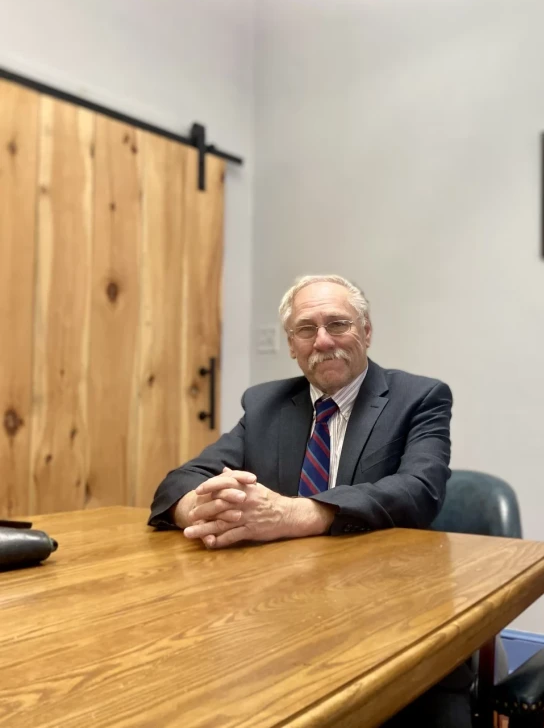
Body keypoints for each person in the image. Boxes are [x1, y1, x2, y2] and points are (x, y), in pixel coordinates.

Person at [148, 273, 471, 728]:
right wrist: (197, 508)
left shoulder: (418, 397)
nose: (323, 341)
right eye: (306, 329)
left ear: (366, 331)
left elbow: (420, 489)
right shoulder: (265, 404)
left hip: (391, 622)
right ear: (292, 345)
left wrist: (295, 513)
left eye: (338, 324)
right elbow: (180, 480)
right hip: (280, 621)